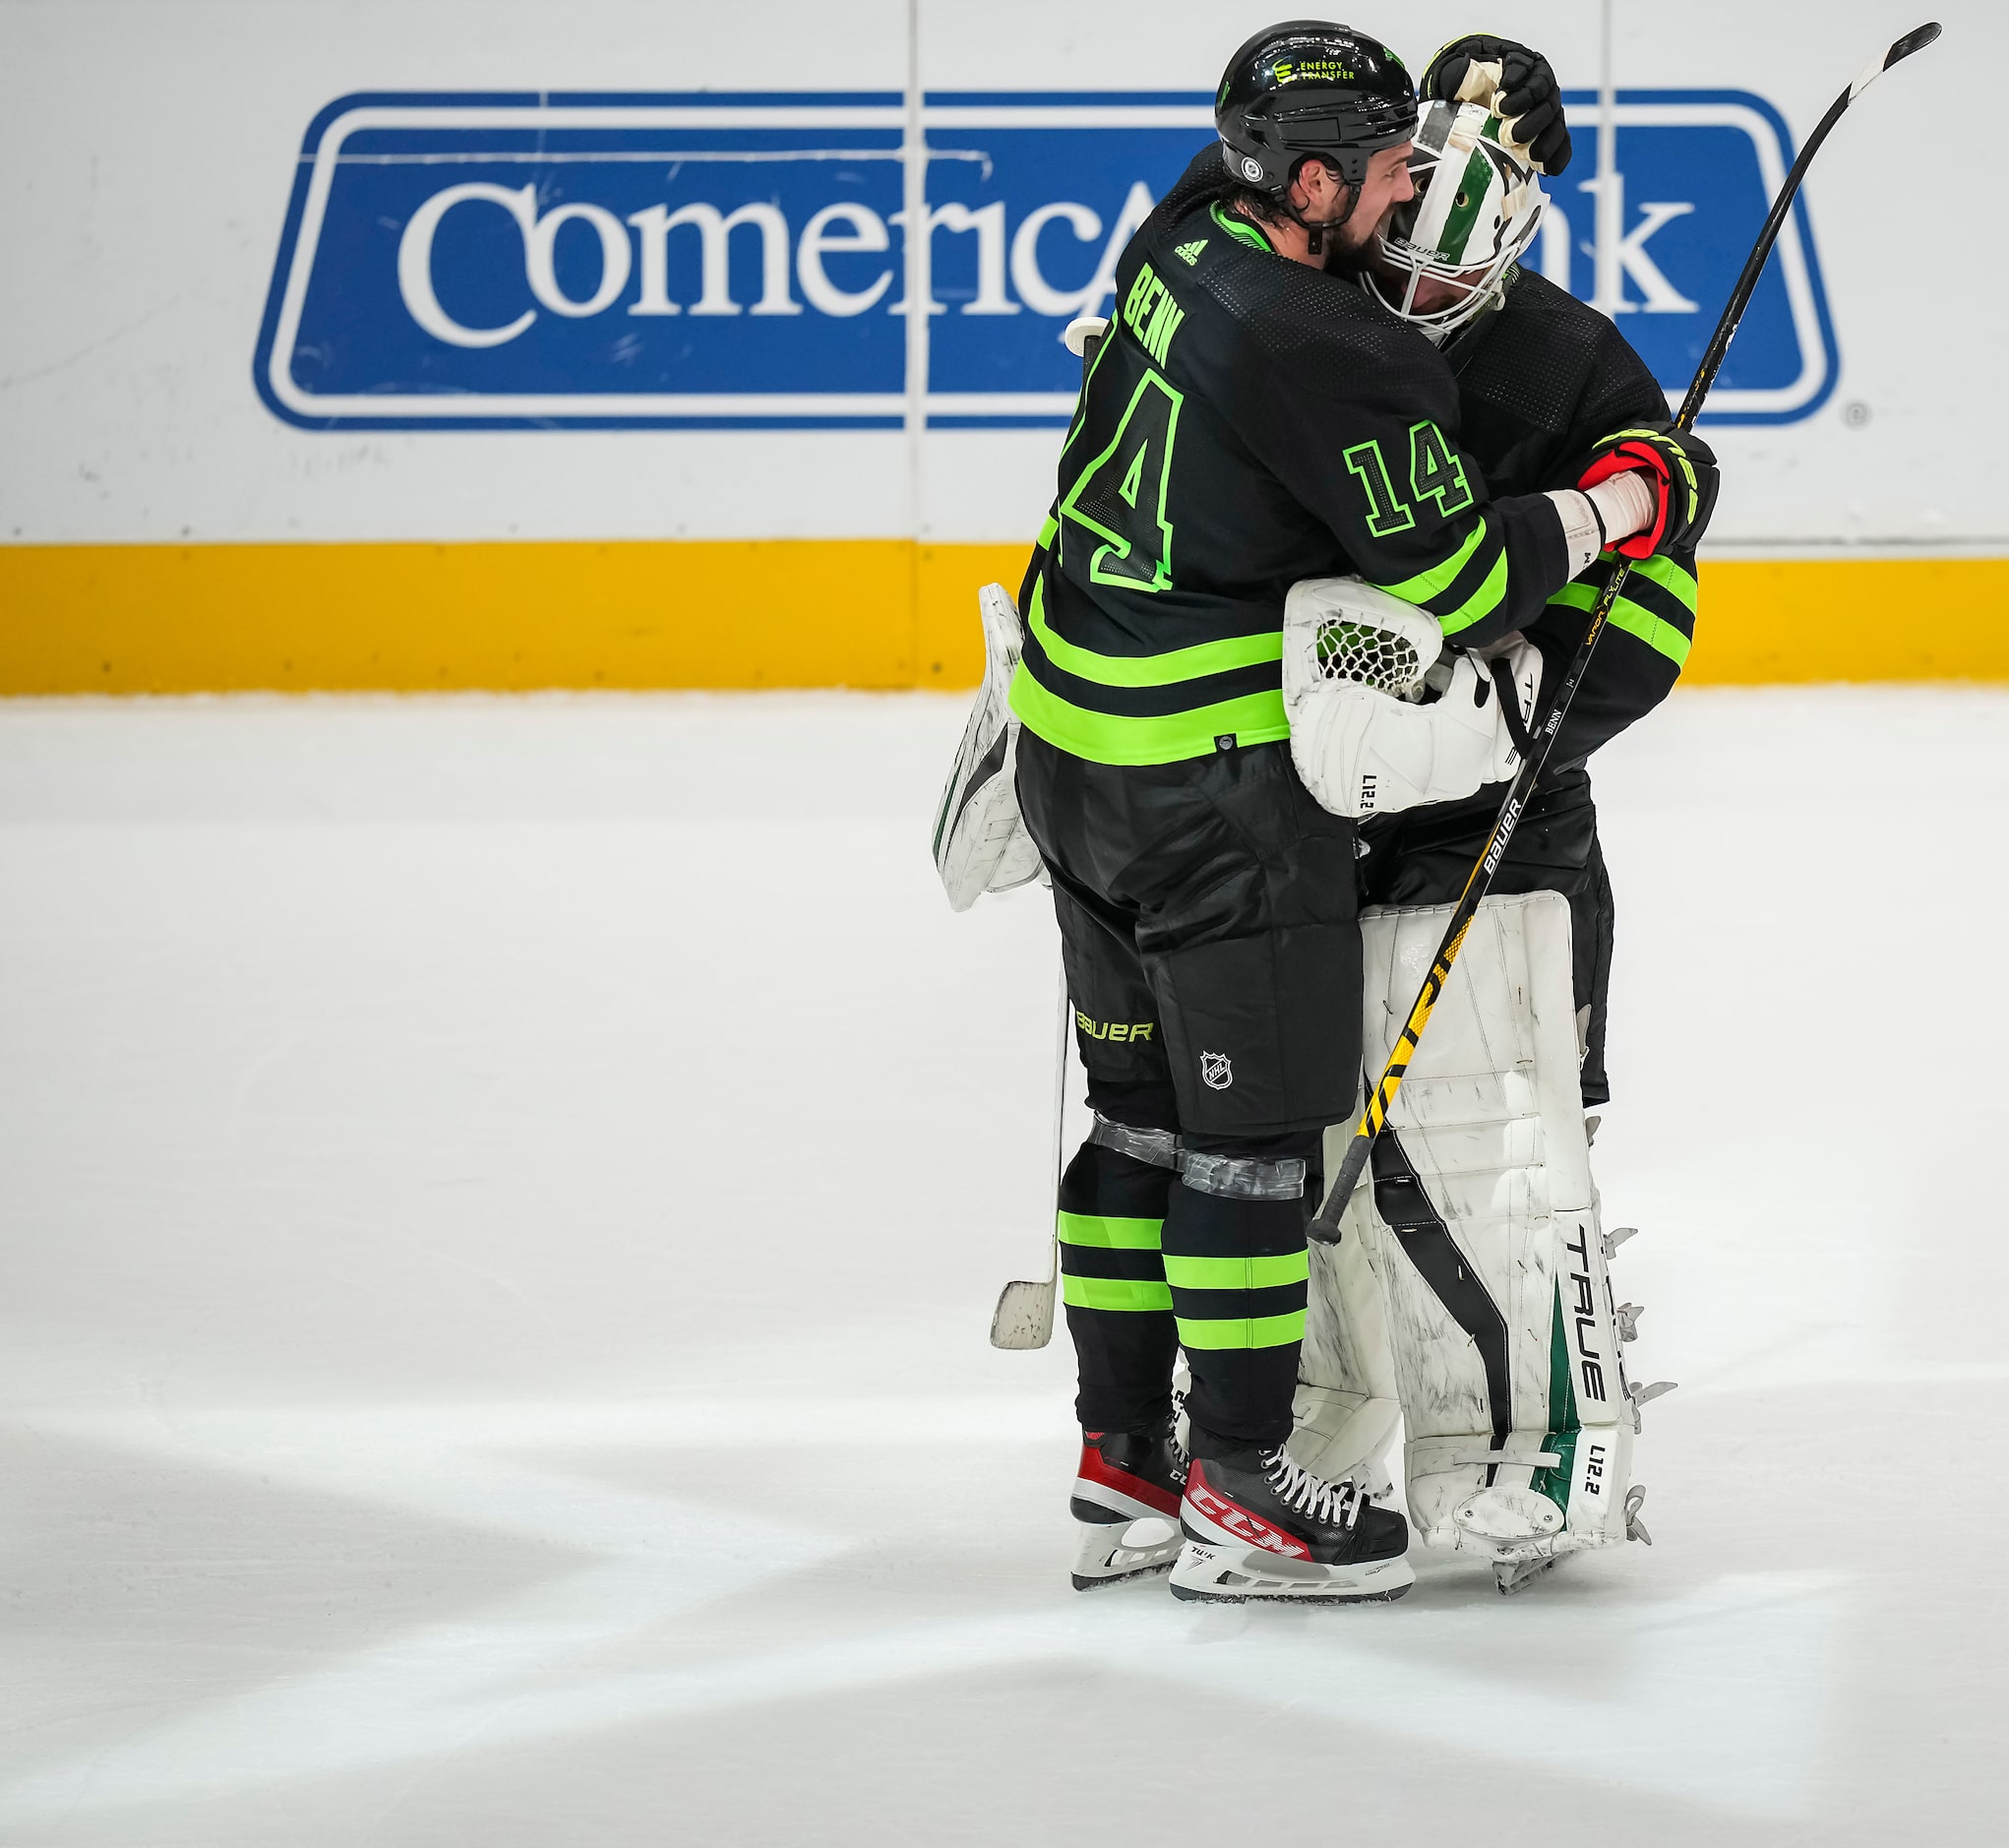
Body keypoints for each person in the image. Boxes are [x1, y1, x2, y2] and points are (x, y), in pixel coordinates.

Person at [994, 22, 1717, 1605]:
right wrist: (1609, 506)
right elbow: (1457, 576)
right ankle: (1246, 1473)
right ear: (1315, 185)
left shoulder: (1195, 228)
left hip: (1111, 755)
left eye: (1422, 173)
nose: (1407, 225)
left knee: (1212, 1128)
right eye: (1387, 177)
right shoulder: (1338, 337)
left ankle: (1155, 1451)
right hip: (1227, 799)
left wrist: (1515, 712)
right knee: (1258, 1149)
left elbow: (1652, 610)